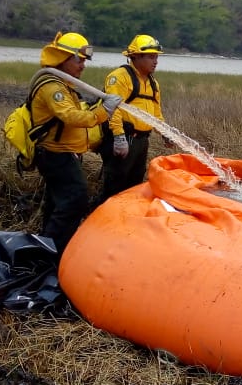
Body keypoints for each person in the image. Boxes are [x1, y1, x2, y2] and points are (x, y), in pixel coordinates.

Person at [31, 31, 121, 254]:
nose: (83, 65)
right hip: (56, 155)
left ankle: (46, 248)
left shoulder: (65, 84)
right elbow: (72, 117)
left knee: (56, 203)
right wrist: (104, 111)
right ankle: (54, 252)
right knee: (75, 200)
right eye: (78, 60)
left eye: (84, 60)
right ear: (63, 58)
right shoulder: (52, 86)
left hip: (64, 154)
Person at [97, 34, 166, 203]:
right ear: (135, 56)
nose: (155, 61)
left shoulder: (152, 83)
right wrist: (119, 138)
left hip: (141, 141)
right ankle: (103, 221)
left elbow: (156, 114)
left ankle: (126, 223)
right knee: (115, 187)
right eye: (151, 57)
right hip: (124, 139)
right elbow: (113, 110)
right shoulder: (120, 77)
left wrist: (165, 133)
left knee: (134, 186)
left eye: (156, 57)